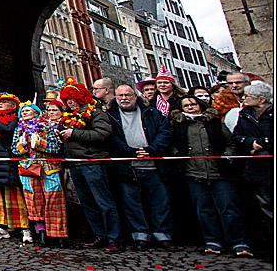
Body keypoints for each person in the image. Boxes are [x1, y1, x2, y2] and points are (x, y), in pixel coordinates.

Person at [170, 94, 252, 256]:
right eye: (187, 105)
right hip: (194, 172)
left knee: (228, 207)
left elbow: (230, 142)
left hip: (220, 171)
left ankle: (238, 242)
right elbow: (172, 144)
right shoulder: (177, 125)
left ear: (200, 105)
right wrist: (178, 155)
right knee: (204, 209)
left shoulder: (214, 122)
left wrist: (227, 157)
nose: (191, 108)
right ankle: (213, 240)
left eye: (193, 104)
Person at [107, 84, 174, 251]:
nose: (124, 98)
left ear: (135, 97)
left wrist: (151, 150)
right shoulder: (110, 116)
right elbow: (111, 138)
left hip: (153, 164)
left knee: (160, 201)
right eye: (120, 95)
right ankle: (140, 234)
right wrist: (129, 152)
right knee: (132, 203)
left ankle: (162, 234)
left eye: (128, 95)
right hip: (128, 166)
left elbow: (164, 132)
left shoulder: (151, 113)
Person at [58, 77, 123, 253]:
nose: (69, 102)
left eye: (72, 98)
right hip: (76, 164)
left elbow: (102, 134)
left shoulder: (96, 113)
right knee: (87, 202)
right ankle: (99, 235)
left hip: (93, 162)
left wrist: (75, 133)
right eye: (66, 99)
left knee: (104, 201)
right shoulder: (67, 117)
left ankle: (114, 238)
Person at [12, 100, 67, 246]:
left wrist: (40, 144)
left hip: (48, 168)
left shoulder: (47, 127)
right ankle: (42, 232)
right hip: (28, 168)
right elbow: (14, 151)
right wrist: (21, 145)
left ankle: (59, 234)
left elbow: (56, 148)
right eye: (22, 111)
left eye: (28, 110)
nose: (24, 112)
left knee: (54, 198)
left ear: (36, 113)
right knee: (34, 201)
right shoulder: (19, 130)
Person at [0, 93, 32, 243]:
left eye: (4, 102)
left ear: (12, 106)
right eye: (0, 102)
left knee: (15, 198)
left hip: (8, 163)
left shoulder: (16, 118)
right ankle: (2, 227)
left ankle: (25, 228)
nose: (1, 104)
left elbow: (7, 130)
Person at [232, 81, 273, 223]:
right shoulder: (245, 115)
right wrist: (250, 142)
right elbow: (236, 135)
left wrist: (262, 143)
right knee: (266, 205)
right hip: (257, 167)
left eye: (247, 96)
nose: (244, 98)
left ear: (261, 99)